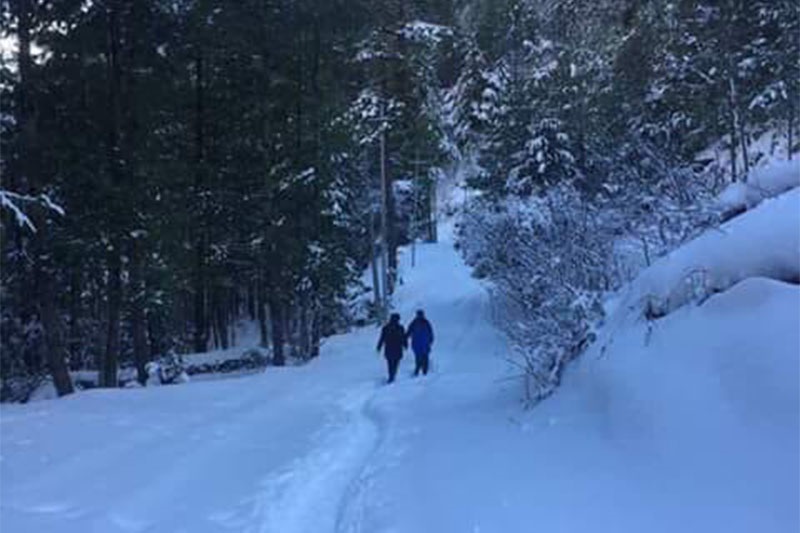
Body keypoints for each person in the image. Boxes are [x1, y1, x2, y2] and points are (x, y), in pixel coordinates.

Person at [376, 313, 407, 383]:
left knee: (390, 363)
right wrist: (405, 345)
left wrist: (379, 346)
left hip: (389, 348)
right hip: (397, 348)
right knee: (396, 363)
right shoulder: (400, 328)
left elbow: (382, 338)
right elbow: (404, 338)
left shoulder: (386, 328)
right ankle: (393, 375)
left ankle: (391, 375)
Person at [406, 309, 434, 376]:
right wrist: (430, 341)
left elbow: (408, 332)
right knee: (425, 356)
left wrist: (405, 338)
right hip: (424, 343)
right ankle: (424, 370)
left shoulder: (414, 323)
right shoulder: (426, 323)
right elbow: (430, 333)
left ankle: (418, 369)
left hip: (416, 343)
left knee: (418, 356)